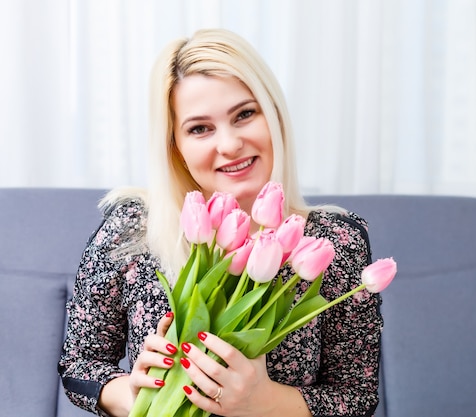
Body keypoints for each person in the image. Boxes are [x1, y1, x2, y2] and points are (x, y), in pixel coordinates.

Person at [58, 28, 383, 417]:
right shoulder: (133, 230)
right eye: (199, 128)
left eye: (244, 114)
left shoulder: (332, 243)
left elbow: (357, 396)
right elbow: (78, 365)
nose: (229, 144)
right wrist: (136, 394)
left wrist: (263, 403)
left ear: (274, 116)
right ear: (174, 146)